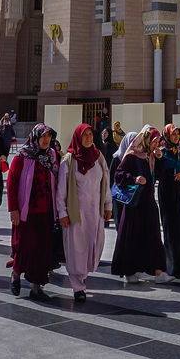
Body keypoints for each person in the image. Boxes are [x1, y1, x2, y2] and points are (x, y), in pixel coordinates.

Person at [55, 123, 111, 302]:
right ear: (78, 137)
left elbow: (106, 182)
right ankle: (77, 285)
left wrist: (108, 205)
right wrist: (62, 212)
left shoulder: (98, 157)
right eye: (84, 135)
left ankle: (82, 275)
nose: (88, 138)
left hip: (95, 212)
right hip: (75, 213)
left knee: (92, 245)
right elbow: (61, 190)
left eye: (90, 134)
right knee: (76, 248)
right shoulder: (69, 160)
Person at [111, 126, 171, 284]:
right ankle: (129, 271)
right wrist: (134, 178)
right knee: (132, 239)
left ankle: (158, 271)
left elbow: (160, 175)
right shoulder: (132, 156)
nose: (155, 145)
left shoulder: (149, 157)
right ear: (146, 140)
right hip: (134, 207)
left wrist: (159, 158)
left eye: (158, 142)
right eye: (154, 141)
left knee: (153, 238)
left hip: (149, 205)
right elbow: (118, 174)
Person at [7, 123, 58, 301]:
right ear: (35, 137)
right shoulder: (23, 156)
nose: (46, 140)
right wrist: (13, 208)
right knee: (24, 246)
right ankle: (15, 273)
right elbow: (12, 183)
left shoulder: (51, 157)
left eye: (48, 136)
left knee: (42, 250)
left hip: (46, 212)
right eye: (43, 136)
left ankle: (37, 286)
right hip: (26, 212)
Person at [156, 124, 180, 278]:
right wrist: (159, 160)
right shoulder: (161, 151)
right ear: (167, 135)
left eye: (178, 134)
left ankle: (179, 265)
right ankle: (171, 266)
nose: (176, 136)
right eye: (173, 134)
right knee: (170, 229)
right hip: (168, 193)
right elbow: (157, 173)